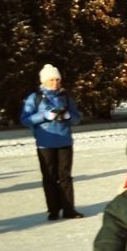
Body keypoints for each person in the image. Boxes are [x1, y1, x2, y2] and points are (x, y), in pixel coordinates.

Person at [20, 64, 84, 221]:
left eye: (57, 79)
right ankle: (53, 210)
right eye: (52, 80)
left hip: (64, 142)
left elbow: (77, 118)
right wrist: (43, 116)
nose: (55, 82)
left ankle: (69, 209)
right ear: (44, 81)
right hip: (45, 143)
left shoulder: (65, 98)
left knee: (66, 177)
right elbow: (24, 119)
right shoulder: (34, 98)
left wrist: (69, 116)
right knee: (49, 178)